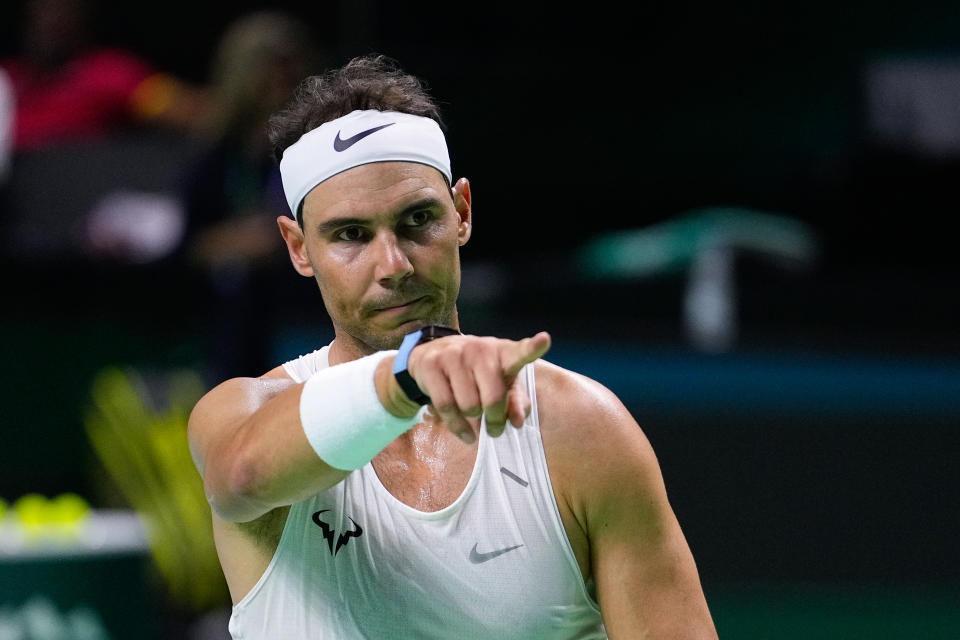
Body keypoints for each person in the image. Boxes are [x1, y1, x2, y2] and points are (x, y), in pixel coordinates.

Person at [188, 54, 718, 639]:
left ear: (462, 212)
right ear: (298, 247)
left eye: (418, 220)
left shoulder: (581, 428)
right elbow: (241, 477)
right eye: (351, 235)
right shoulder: (242, 414)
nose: (393, 265)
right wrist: (408, 374)